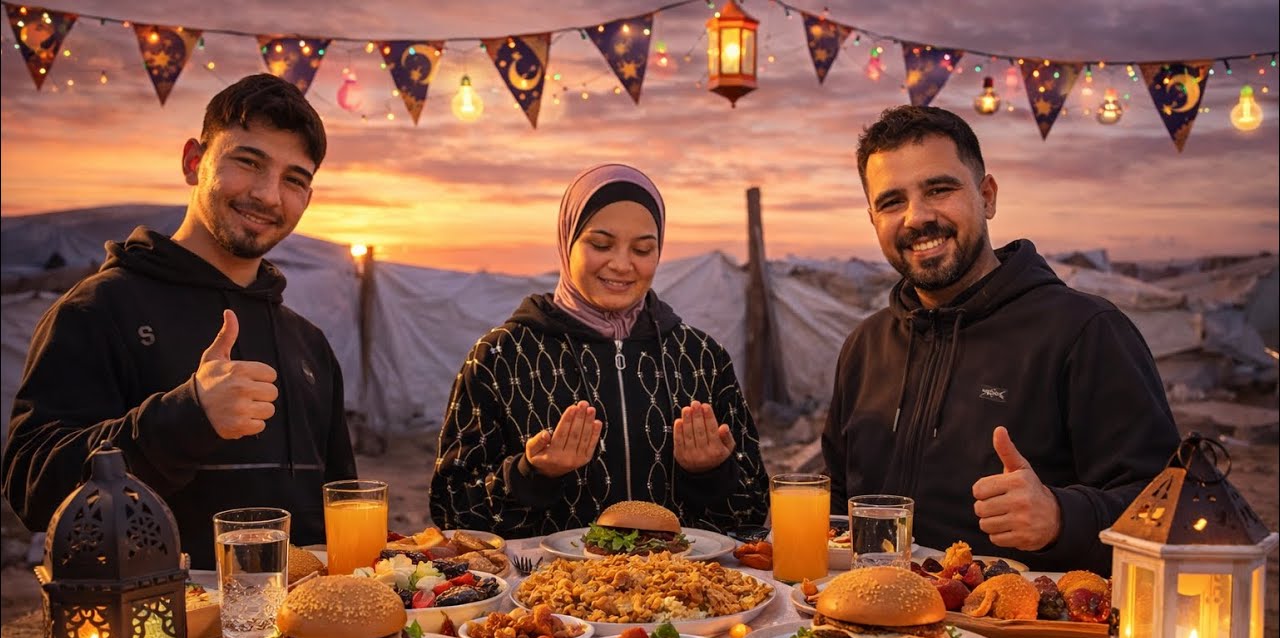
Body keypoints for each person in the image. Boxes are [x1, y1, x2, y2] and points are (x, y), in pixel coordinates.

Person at [2, 73, 357, 568]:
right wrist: (186, 417)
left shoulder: (308, 343)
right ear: (194, 162)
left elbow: (340, 505)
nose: (268, 195)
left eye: (293, 179)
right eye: (248, 162)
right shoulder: (100, 309)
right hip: (160, 636)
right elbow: (31, 486)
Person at [822, 105, 1179, 575]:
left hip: (1023, 634)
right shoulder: (866, 347)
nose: (917, 217)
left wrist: (1059, 518)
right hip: (869, 622)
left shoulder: (1084, 332)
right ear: (872, 219)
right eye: (892, 202)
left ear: (987, 196)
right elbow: (836, 507)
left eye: (939, 189)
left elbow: (1169, 511)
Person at [429, 163, 769, 538]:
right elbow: (451, 511)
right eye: (600, 244)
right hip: (546, 593)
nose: (622, 265)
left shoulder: (700, 358)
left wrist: (711, 474)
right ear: (566, 241)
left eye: (643, 249)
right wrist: (532, 474)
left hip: (685, 590)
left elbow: (752, 513)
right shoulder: (502, 357)